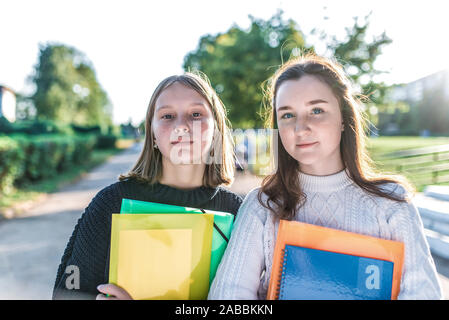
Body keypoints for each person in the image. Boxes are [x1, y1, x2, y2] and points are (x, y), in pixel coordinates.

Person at [208, 54, 444, 300]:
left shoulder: (391, 204)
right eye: (287, 115)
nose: (301, 128)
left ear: (343, 118)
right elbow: (228, 296)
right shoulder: (262, 205)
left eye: (317, 110)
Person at [52, 72, 243, 300]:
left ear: (216, 129)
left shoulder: (238, 213)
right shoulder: (111, 203)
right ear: (152, 132)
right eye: (168, 116)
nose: (181, 126)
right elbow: (68, 292)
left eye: (195, 114)